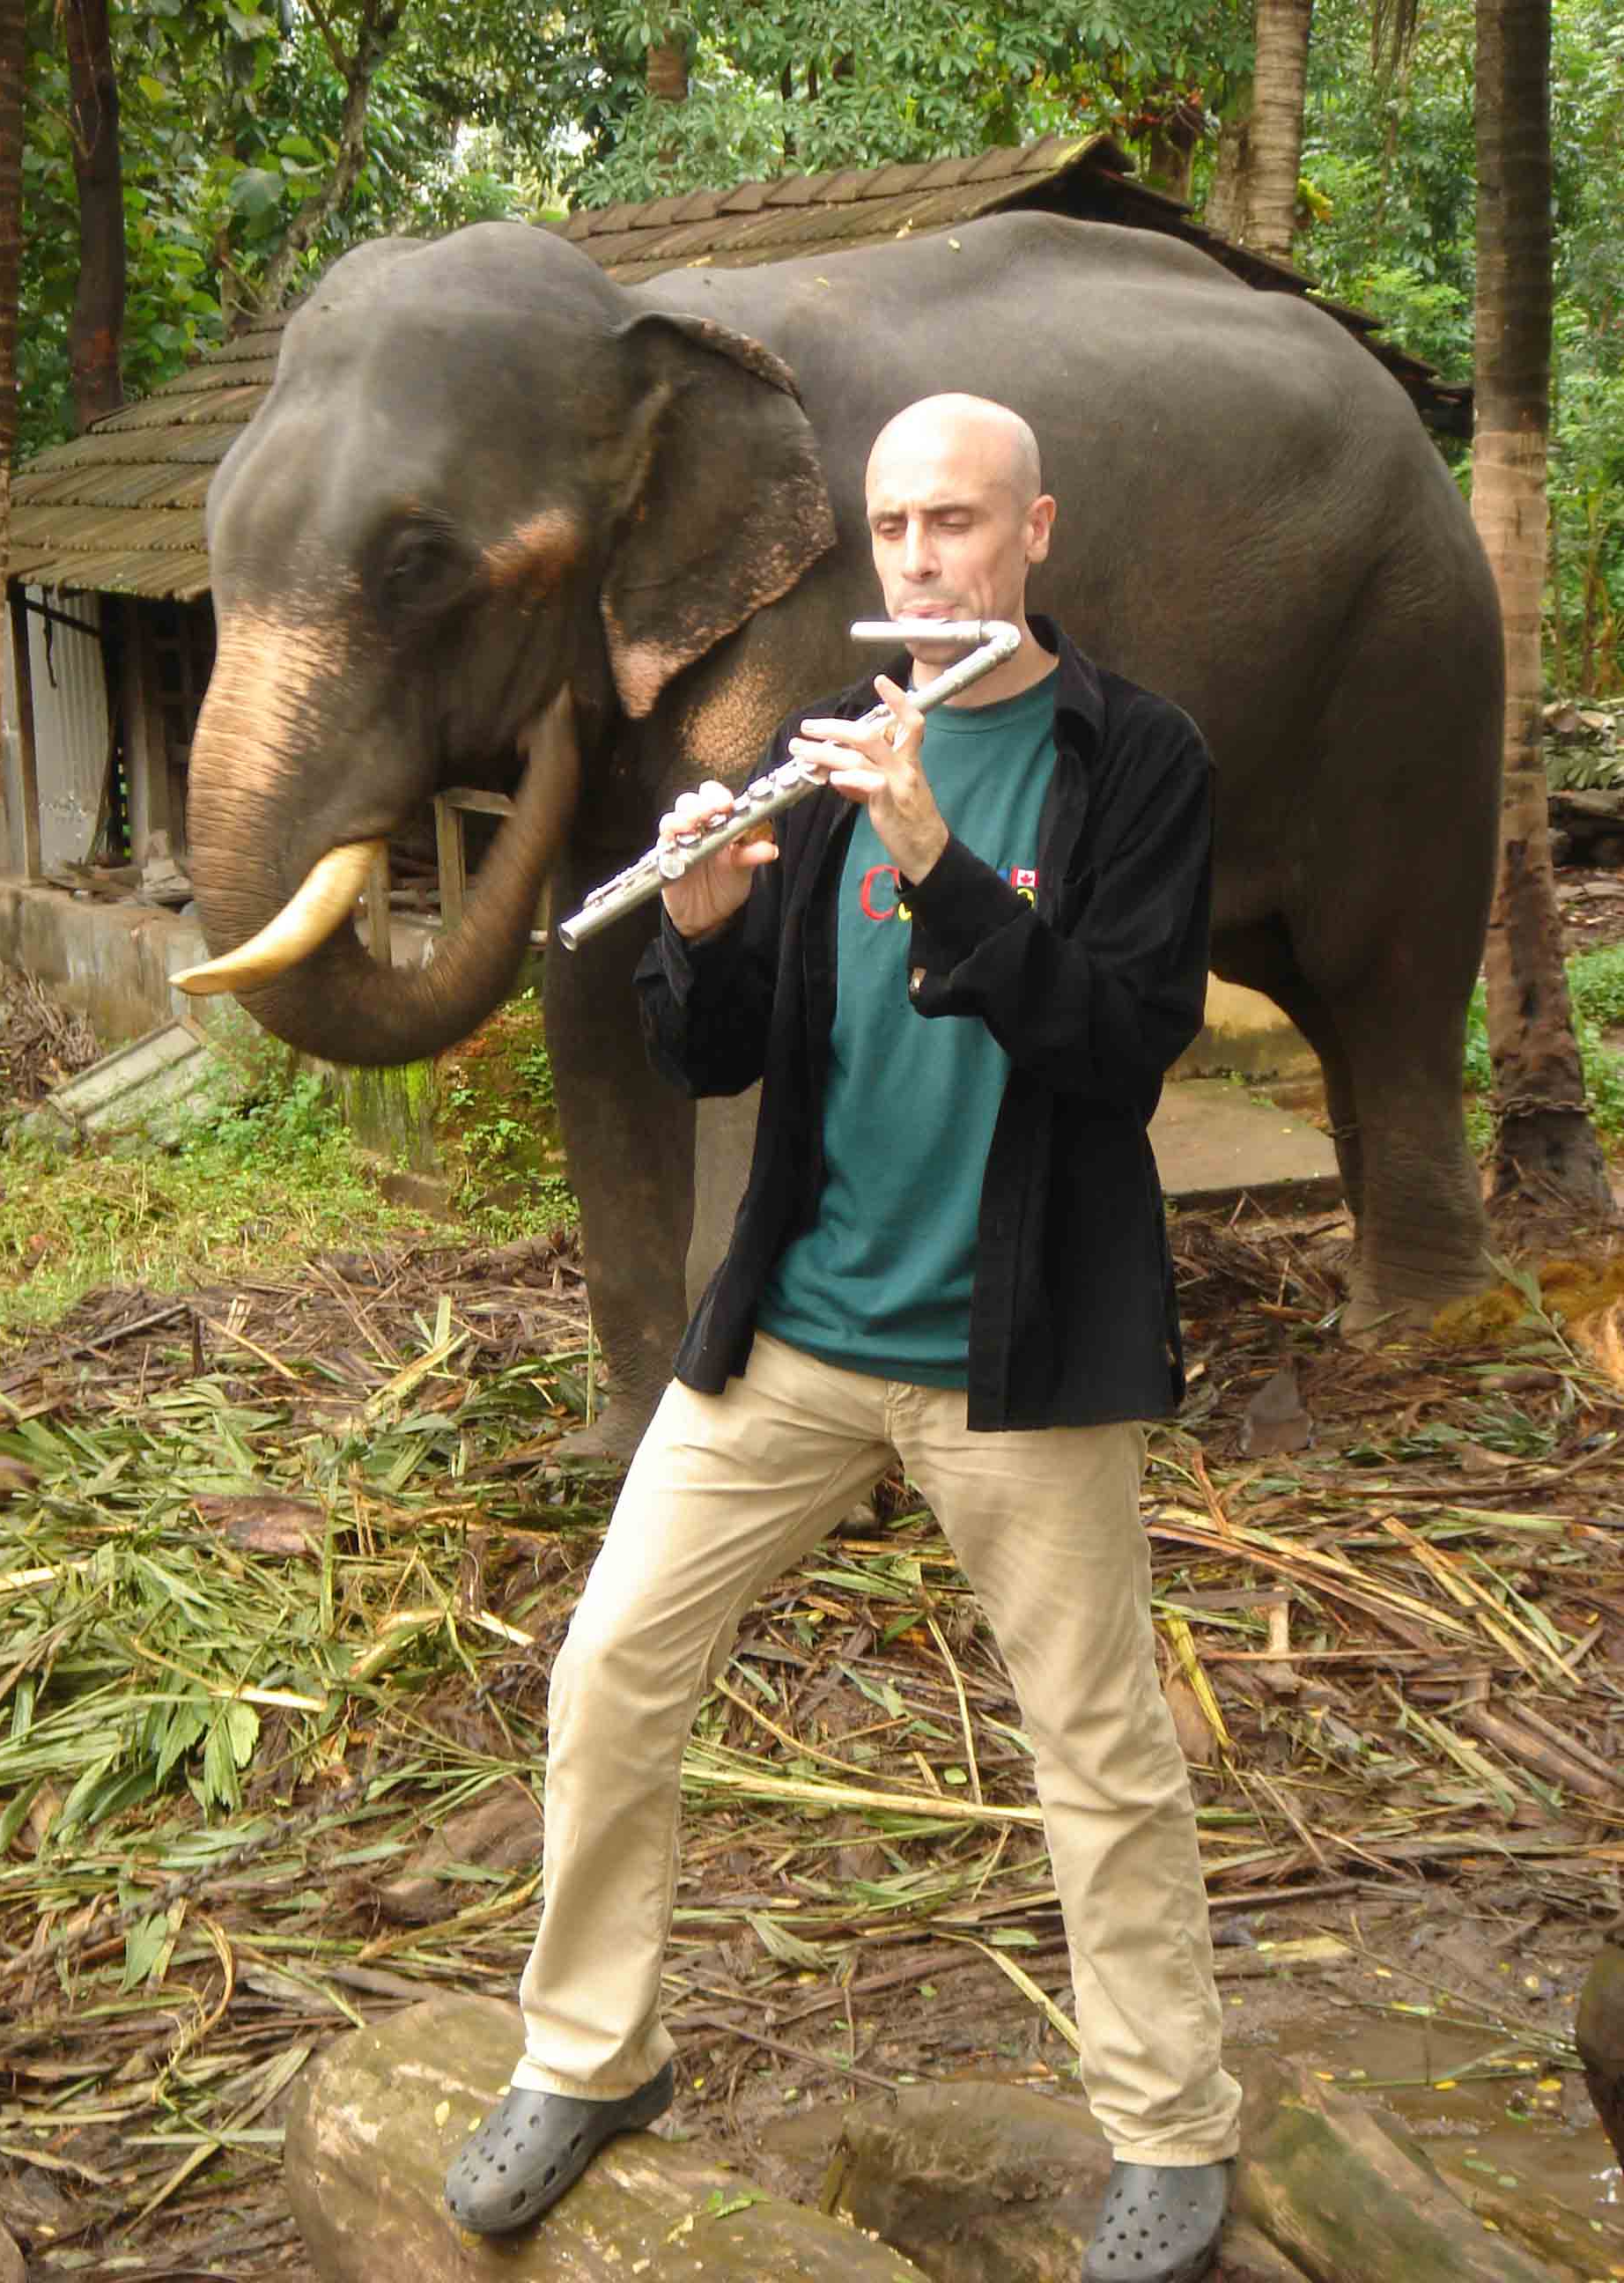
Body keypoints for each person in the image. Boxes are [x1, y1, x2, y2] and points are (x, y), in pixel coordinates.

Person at [445, 393, 1242, 2283]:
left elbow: (1120, 1052)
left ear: (1034, 531)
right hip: (798, 1332)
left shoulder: (1130, 761)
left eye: (956, 526)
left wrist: (940, 850)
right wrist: (708, 925)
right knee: (612, 1667)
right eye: (892, 532)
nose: (920, 563)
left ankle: (1172, 2128)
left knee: (1100, 1744)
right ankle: (590, 2058)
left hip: (1014, 1347)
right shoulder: (830, 764)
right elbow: (721, 1055)